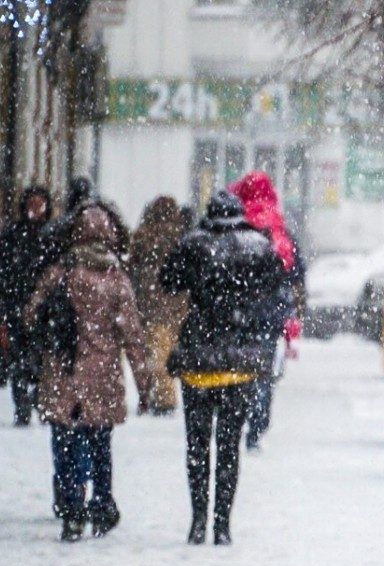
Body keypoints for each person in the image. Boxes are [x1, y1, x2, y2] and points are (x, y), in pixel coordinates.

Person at [160, 190, 287, 545]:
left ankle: (197, 520)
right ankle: (222, 525)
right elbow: (277, 284)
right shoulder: (258, 246)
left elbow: (167, 281)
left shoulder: (193, 243)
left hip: (199, 357)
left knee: (197, 445)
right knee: (229, 446)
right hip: (239, 360)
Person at [24, 201, 150, 541]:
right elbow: (134, 336)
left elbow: (31, 315)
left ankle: (71, 507)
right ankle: (101, 502)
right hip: (102, 376)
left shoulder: (60, 272)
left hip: (62, 370)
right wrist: (145, 382)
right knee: (99, 443)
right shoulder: (117, 279)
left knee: (65, 441)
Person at [228, 171, 303, 451]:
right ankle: (257, 425)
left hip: (239, 309)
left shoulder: (235, 223)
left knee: (238, 365)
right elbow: (295, 272)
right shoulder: (278, 226)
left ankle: (237, 416)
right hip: (270, 311)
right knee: (264, 371)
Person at [128, 196, 189, 415]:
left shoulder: (144, 236)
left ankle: (161, 397)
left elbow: (131, 266)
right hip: (177, 305)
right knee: (166, 354)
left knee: (154, 355)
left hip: (150, 305)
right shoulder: (182, 236)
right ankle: (163, 396)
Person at [0, 186, 54, 426]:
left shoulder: (51, 237)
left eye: (39, 204)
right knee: (20, 360)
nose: (35, 209)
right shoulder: (12, 236)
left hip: (44, 311)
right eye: (32, 204)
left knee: (41, 359)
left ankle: (40, 402)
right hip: (15, 307)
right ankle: (22, 406)